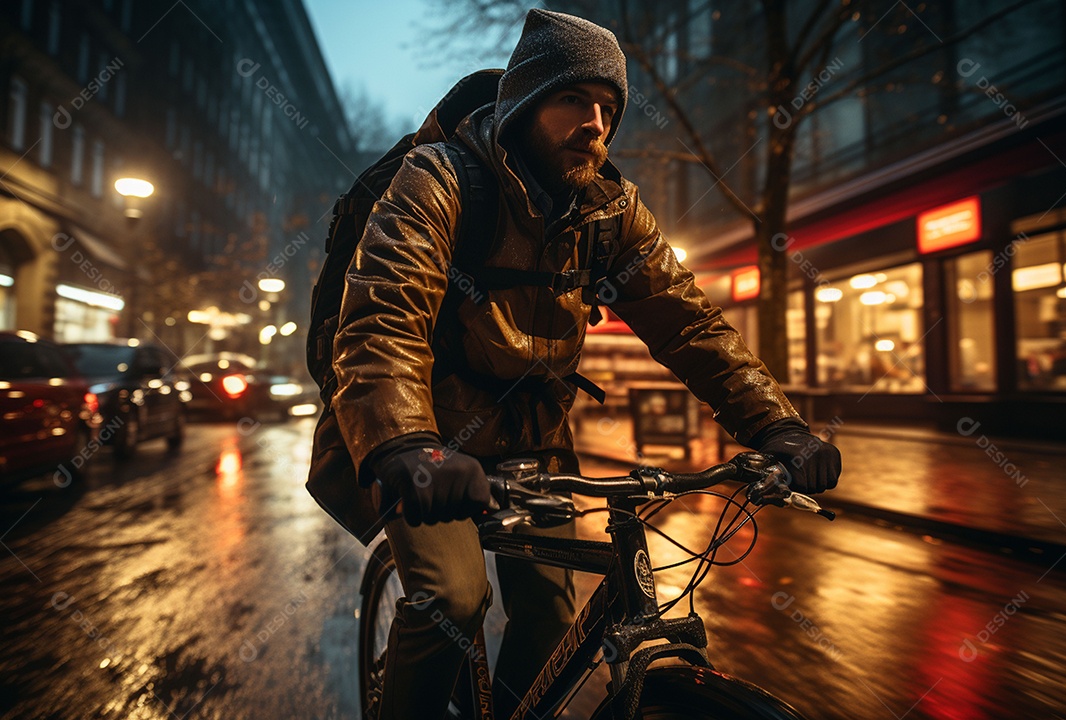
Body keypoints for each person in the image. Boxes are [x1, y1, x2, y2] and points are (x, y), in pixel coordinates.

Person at [331, 9, 841, 718]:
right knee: (453, 597)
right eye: (574, 99)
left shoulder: (610, 211)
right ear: (523, 105)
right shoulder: (441, 179)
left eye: (609, 107)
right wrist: (408, 446)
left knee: (549, 619)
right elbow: (384, 313)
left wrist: (779, 428)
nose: (597, 122)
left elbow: (688, 321)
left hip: (532, 444)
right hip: (431, 444)